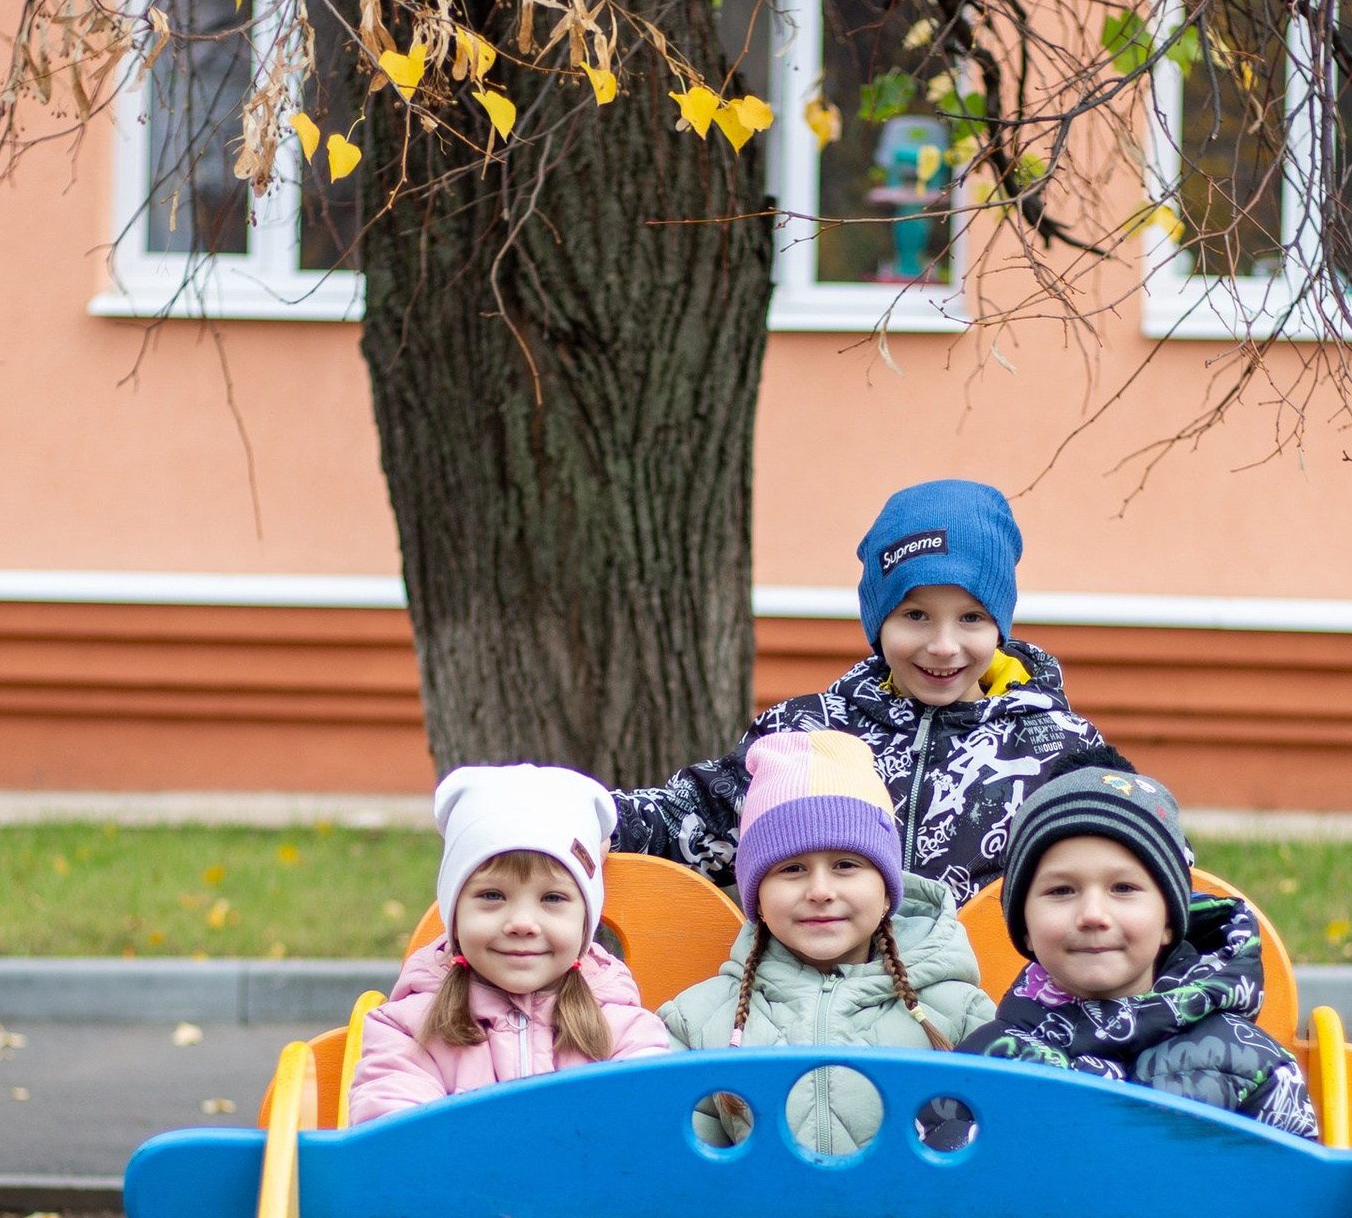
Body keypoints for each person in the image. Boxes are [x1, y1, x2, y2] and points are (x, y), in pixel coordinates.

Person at [611, 476, 1128, 905]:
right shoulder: (808, 733)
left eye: (971, 617)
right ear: (878, 623)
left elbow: (1133, 870)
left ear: (1000, 626)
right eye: (915, 615)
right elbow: (691, 820)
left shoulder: (1058, 747)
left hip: (991, 994)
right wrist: (589, 814)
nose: (943, 646)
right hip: (824, 993)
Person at [661, 736, 995, 1154]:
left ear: (888, 891)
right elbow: (676, 1160)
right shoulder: (698, 1022)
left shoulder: (959, 1013)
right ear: (757, 897)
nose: (820, 891)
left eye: (846, 865)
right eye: (792, 868)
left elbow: (1000, 1148)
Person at [964, 764, 1321, 1135]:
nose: (1093, 915)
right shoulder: (984, 1064)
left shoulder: (1250, 1064)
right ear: (1025, 929)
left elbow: (1290, 1172)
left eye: (1123, 888)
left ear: (1169, 920)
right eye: (1061, 891)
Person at [347, 763, 674, 1122]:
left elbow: (648, 1133)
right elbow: (399, 1139)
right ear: (454, 915)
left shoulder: (624, 1031)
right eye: (492, 895)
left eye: (552, 898)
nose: (521, 923)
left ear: (586, 920)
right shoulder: (410, 1029)